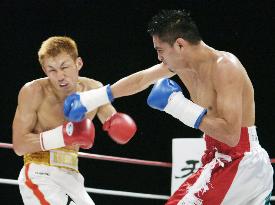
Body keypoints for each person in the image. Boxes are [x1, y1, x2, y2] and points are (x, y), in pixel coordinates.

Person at [63, 10, 273, 205]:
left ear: (180, 45)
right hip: (217, 159)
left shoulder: (225, 68)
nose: (159, 57)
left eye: (160, 50)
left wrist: (177, 106)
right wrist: (92, 99)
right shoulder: (181, 65)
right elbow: (141, 80)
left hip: (241, 162)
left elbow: (231, 136)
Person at [12, 36, 137, 205]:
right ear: (44, 70)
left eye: (65, 67)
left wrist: (117, 123)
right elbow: (19, 145)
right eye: (52, 70)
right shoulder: (33, 91)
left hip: (72, 175)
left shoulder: (93, 89)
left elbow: (113, 121)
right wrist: (64, 135)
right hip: (39, 173)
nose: (60, 76)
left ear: (78, 63)